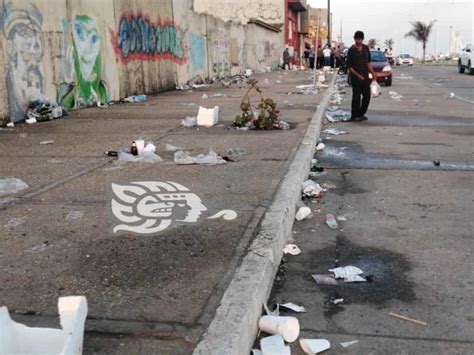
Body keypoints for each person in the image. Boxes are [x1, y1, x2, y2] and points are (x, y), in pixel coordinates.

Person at [346, 30, 377, 121]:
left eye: (360, 39)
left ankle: (361, 113)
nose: (358, 41)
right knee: (356, 96)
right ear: (354, 39)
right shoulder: (351, 50)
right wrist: (358, 75)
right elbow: (350, 66)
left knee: (367, 95)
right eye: (357, 39)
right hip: (355, 77)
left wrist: (372, 73)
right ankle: (354, 115)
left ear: (362, 39)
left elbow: (368, 63)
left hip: (365, 76)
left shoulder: (366, 49)